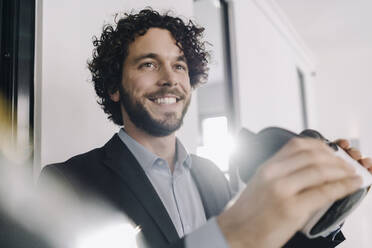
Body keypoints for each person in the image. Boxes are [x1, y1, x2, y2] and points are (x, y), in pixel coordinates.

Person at [39, 8, 372, 248]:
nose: (169, 78)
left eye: (179, 65)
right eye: (149, 64)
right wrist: (229, 234)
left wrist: (327, 211)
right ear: (114, 86)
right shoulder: (67, 183)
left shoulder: (212, 175)